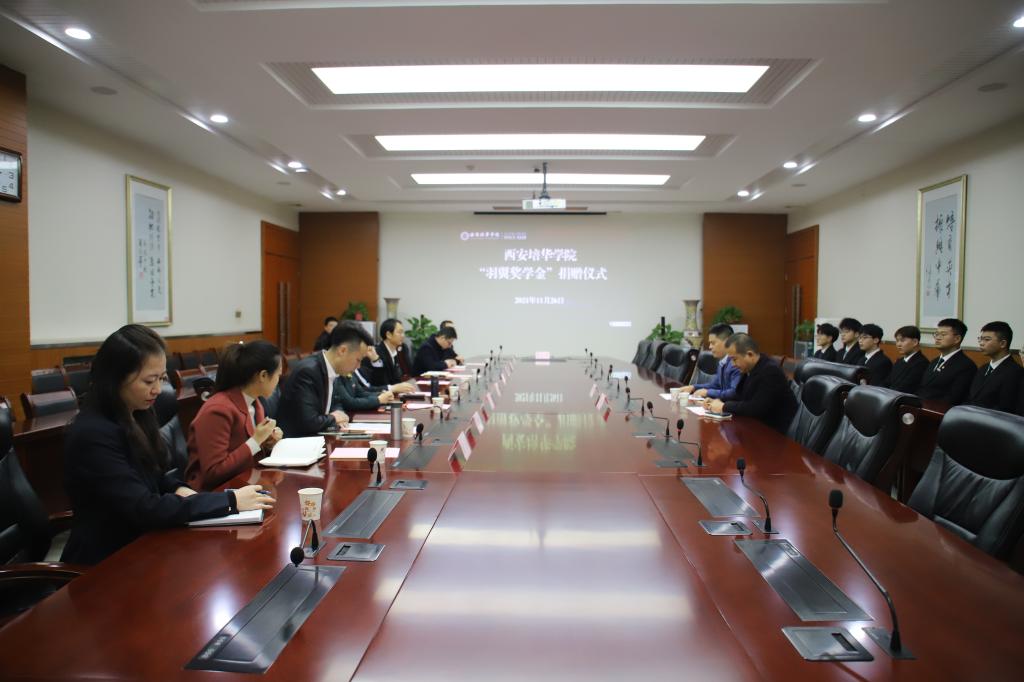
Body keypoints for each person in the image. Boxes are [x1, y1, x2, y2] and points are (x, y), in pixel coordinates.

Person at [61, 325, 274, 565]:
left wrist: (179, 488)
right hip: (106, 561)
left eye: (161, 378)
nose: (157, 390)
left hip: (144, 543)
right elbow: (143, 506)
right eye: (149, 381)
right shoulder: (93, 434)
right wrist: (230, 501)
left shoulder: (136, 413)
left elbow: (155, 476)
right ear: (116, 378)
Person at [185, 341, 284, 491]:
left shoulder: (255, 403)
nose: (279, 381)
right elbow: (213, 472)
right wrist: (256, 440)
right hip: (213, 493)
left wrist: (267, 443)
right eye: (278, 375)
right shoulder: (218, 410)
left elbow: (250, 455)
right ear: (263, 375)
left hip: (245, 484)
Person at [277, 321, 369, 436]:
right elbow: (309, 422)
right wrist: (334, 418)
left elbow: (336, 402)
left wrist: (339, 412)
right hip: (298, 441)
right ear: (342, 351)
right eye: (358, 360)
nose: (359, 366)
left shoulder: (332, 368)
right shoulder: (308, 372)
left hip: (318, 437)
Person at [708, 333, 798, 433]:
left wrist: (724, 406)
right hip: (756, 426)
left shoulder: (770, 371)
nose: (733, 364)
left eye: (734, 359)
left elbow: (755, 408)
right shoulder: (750, 368)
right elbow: (740, 394)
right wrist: (717, 401)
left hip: (774, 432)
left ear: (749, 354)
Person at [917, 318, 976, 405]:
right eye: (936, 334)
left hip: (941, 410)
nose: (938, 338)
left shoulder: (966, 366)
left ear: (957, 339)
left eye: (943, 334)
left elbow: (954, 397)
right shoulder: (934, 361)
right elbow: (922, 388)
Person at [967, 321, 1022, 413]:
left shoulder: (1015, 372)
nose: (981, 343)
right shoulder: (983, 368)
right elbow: (970, 397)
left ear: (1003, 344)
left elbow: (1005, 407)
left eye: (987, 339)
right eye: (980, 339)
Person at [679, 324, 740, 400]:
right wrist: (693, 387)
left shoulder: (737, 363)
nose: (710, 347)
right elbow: (715, 385)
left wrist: (708, 392)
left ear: (728, 342)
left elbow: (734, 393)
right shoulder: (723, 362)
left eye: (713, 343)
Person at [357, 318, 416, 394]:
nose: (403, 336)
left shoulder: (402, 349)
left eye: (403, 332)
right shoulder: (375, 353)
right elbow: (379, 383)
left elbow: (409, 371)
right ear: (388, 335)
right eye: (399, 332)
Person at [886, 325, 929, 394]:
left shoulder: (921, 363)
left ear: (915, 342)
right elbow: (888, 381)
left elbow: (906, 387)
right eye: (897, 341)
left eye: (902, 340)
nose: (898, 344)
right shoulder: (899, 361)